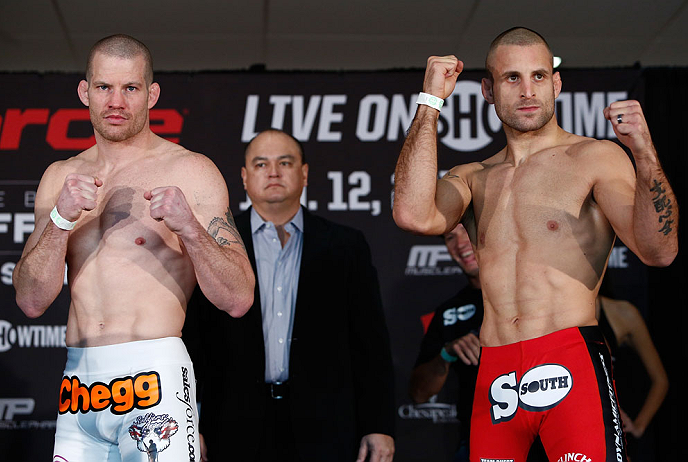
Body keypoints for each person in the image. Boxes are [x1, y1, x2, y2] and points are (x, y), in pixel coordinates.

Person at [393, 26, 678, 462]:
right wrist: (430, 104)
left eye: (539, 76)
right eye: (512, 78)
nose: (528, 91)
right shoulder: (471, 177)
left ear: (556, 83)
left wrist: (644, 155)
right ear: (487, 89)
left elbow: (659, 252)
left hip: (571, 359)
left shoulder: (594, 157)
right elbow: (413, 214)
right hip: (496, 372)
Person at [12, 34, 255, 462]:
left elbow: (238, 298)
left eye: (131, 88)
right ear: (85, 91)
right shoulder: (59, 178)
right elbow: (31, 300)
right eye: (104, 87)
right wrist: (60, 218)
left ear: (152, 94)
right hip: (79, 384)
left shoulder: (190, 170)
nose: (116, 101)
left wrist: (191, 229)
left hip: (153, 375)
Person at [187, 129, 395, 462]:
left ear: (305, 173)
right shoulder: (214, 246)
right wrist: (190, 422)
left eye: (285, 162)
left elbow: (370, 346)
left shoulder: (345, 246)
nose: (273, 172)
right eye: (260, 164)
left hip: (326, 427)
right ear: (244, 177)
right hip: (233, 425)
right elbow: (193, 341)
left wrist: (379, 425)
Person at [409, 223, 483, 462]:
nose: (460, 244)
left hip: (539, 431)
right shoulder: (449, 312)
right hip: (477, 438)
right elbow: (419, 394)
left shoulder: (533, 293)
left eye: (467, 231)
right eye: (450, 237)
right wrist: (447, 355)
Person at [596, 285, 669, 461]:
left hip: (611, 429)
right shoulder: (554, 315)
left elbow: (660, 381)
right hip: (572, 424)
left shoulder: (621, 313)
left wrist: (638, 426)